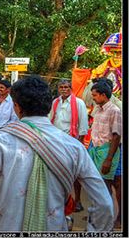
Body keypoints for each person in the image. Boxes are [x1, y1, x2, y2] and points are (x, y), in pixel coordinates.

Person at [0, 75, 114, 232]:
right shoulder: (73, 147)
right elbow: (104, 204)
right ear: (49, 106)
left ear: (17, 107)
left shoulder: (0, 140)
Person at [49, 78, 89, 212]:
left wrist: (79, 143)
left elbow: (83, 125)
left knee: (76, 174)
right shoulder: (55, 102)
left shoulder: (79, 103)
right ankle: (62, 200)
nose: (64, 89)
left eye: (66, 87)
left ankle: (77, 200)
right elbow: (50, 121)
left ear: (70, 89)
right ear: (58, 89)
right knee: (57, 171)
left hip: (72, 141)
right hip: (56, 142)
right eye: (61, 87)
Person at [88, 78, 121, 229]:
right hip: (96, 149)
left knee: (105, 187)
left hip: (106, 152)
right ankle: (101, 217)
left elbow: (116, 136)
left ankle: (107, 221)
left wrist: (108, 159)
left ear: (102, 95)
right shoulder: (98, 109)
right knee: (99, 185)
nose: (93, 98)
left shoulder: (114, 110)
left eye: (94, 95)